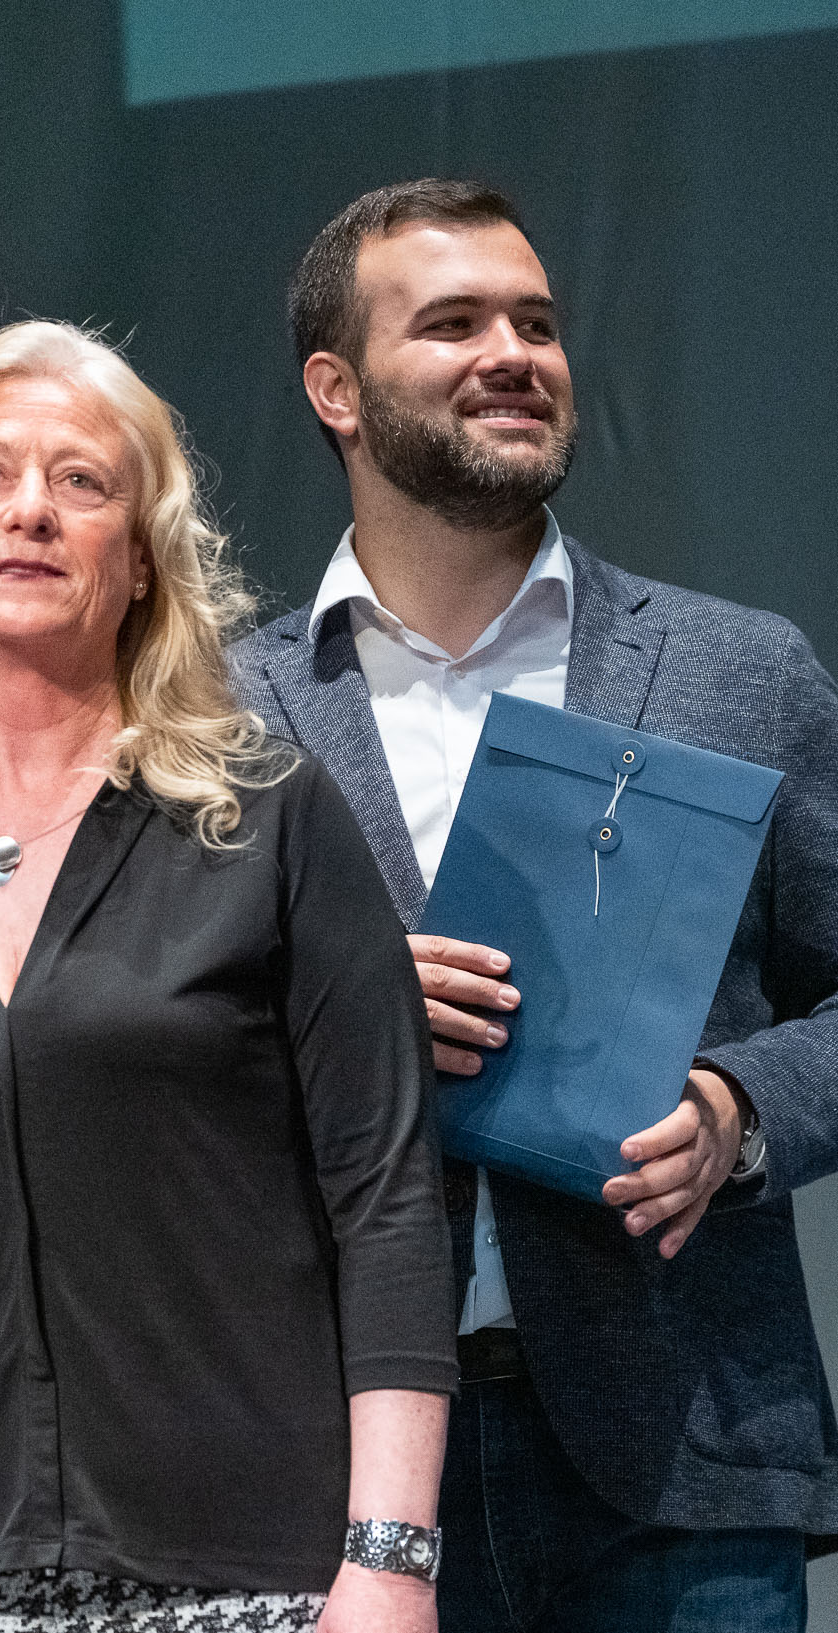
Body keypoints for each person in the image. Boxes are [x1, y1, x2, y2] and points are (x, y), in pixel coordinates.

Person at [0, 320, 458, 1633]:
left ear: (139, 560)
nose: (31, 510)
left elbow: (387, 1203)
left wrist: (391, 1554)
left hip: (242, 1573)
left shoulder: (268, 821)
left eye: (82, 482)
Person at [234, 178, 838, 1631]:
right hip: (327, 1475)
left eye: (536, 322)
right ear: (335, 388)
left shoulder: (735, 669)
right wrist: (329, 1014)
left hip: (678, 1460)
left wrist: (738, 1112)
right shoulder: (211, 714)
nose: (512, 350)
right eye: (451, 323)